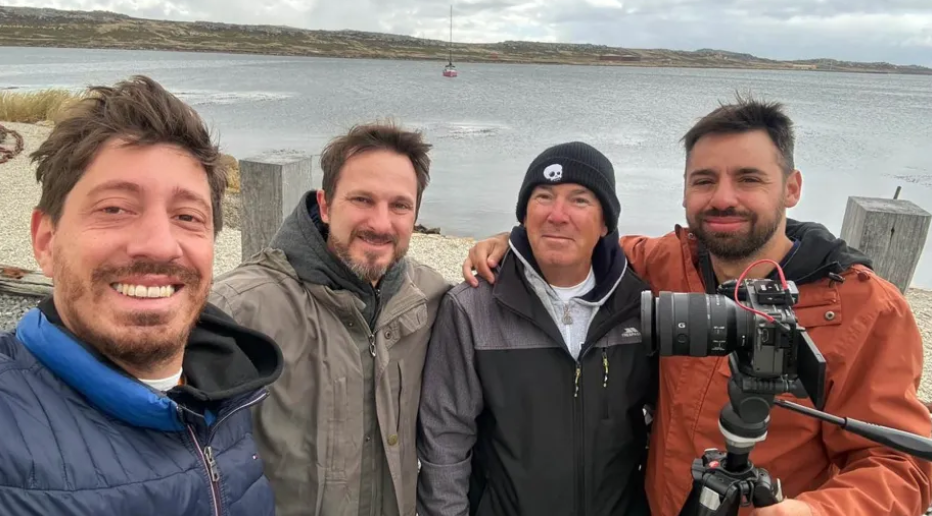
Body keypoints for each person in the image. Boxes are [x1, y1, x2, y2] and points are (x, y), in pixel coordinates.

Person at [460, 97, 932, 516]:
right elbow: (590, 245)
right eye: (704, 180)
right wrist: (519, 243)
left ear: (791, 188)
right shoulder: (668, 262)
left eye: (749, 179)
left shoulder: (863, 307)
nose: (723, 199)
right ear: (685, 191)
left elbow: (903, 463)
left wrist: (817, 511)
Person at [0, 75, 284, 515]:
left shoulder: (229, 398)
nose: (159, 245)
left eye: (187, 216)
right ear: (46, 241)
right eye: (114, 208)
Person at [208, 122, 451, 516]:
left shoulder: (432, 298)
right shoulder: (236, 311)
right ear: (325, 205)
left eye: (399, 206)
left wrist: (507, 248)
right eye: (362, 200)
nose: (380, 223)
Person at [417, 141, 655, 516]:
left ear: (605, 223)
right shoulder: (472, 308)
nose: (557, 215)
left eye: (579, 200)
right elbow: (444, 438)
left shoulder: (640, 308)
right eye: (543, 197)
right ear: (524, 216)